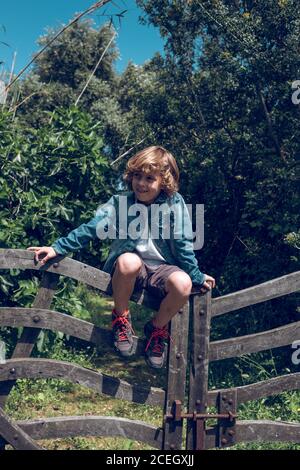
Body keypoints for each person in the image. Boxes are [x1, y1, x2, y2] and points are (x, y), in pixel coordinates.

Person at [27, 146, 215, 369]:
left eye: (149, 178)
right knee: (129, 261)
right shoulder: (121, 202)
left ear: (163, 182)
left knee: (183, 284)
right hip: (130, 269)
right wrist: (58, 248)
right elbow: (92, 227)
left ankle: (157, 329)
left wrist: (195, 275)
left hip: (164, 269)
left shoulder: (175, 204)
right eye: (137, 176)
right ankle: (121, 318)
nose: (141, 184)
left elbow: (184, 244)